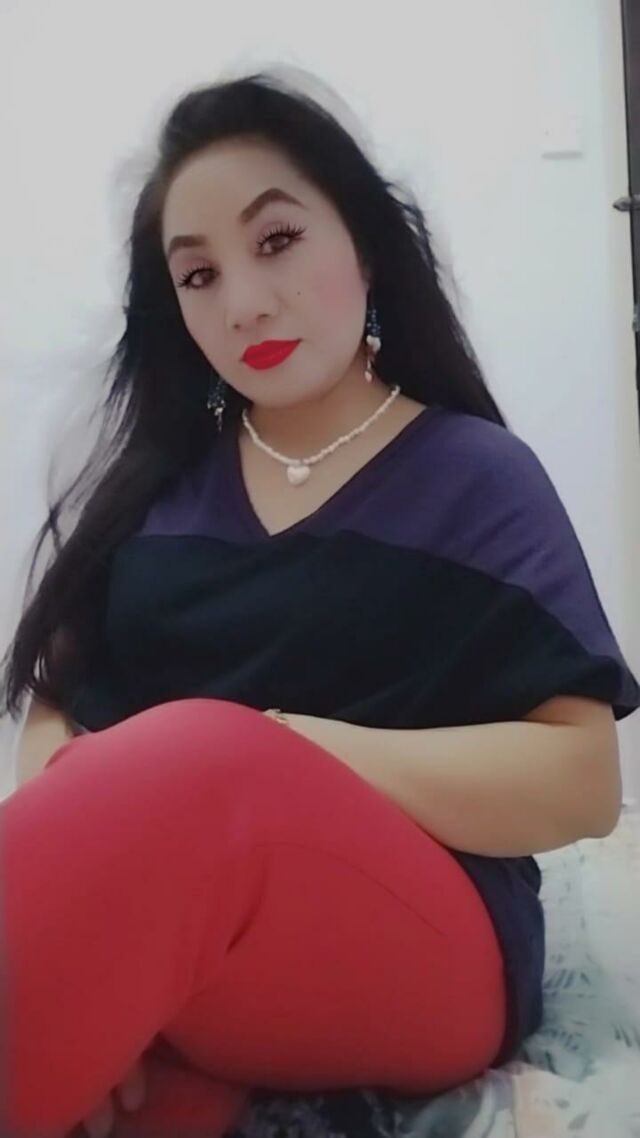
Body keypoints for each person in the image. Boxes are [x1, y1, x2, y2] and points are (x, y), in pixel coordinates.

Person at [1, 67, 638, 1138]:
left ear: (366, 246)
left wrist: (288, 747)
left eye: (279, 240)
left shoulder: (475, 475)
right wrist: (89, 932)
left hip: (433, 940)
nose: (243, 301)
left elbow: (581, 782)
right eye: (198, 275)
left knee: (201, 757)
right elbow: (58, 715)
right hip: (213, 942)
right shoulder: (154, 487)